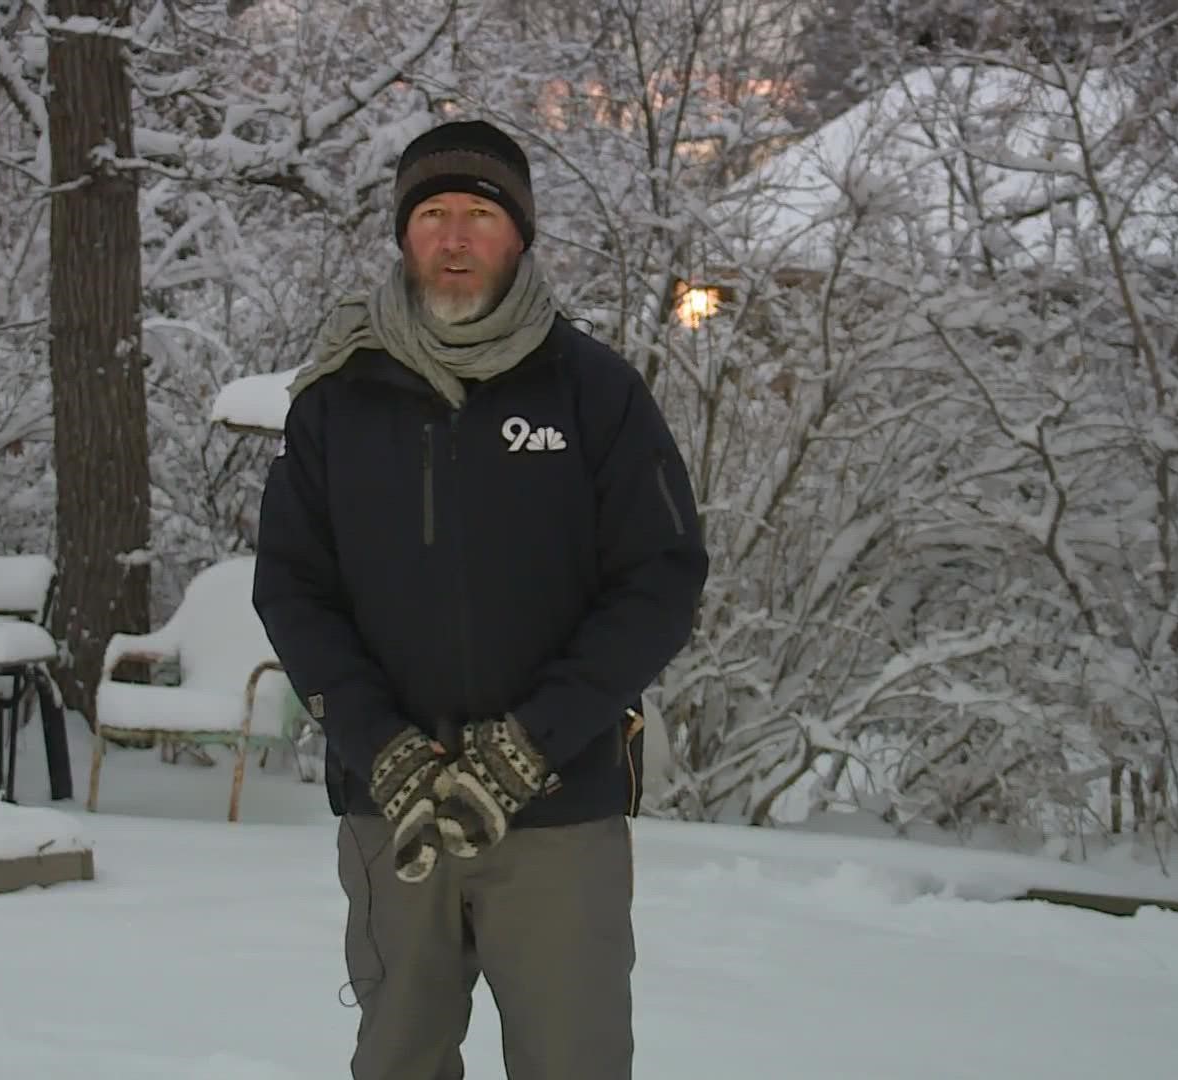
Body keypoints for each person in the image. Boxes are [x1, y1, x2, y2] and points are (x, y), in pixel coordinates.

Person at [251, 118, 709, 1080]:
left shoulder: (595, 392)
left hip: (557, 816)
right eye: (431, 216)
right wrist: (381, 747)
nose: (454, 240)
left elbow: (661, 577)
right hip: (394, 814)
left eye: (479, 217)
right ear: (403, 236)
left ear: (520, 237)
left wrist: (528, 747)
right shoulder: (337, 399)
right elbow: (292, 588)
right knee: (400, 1060)